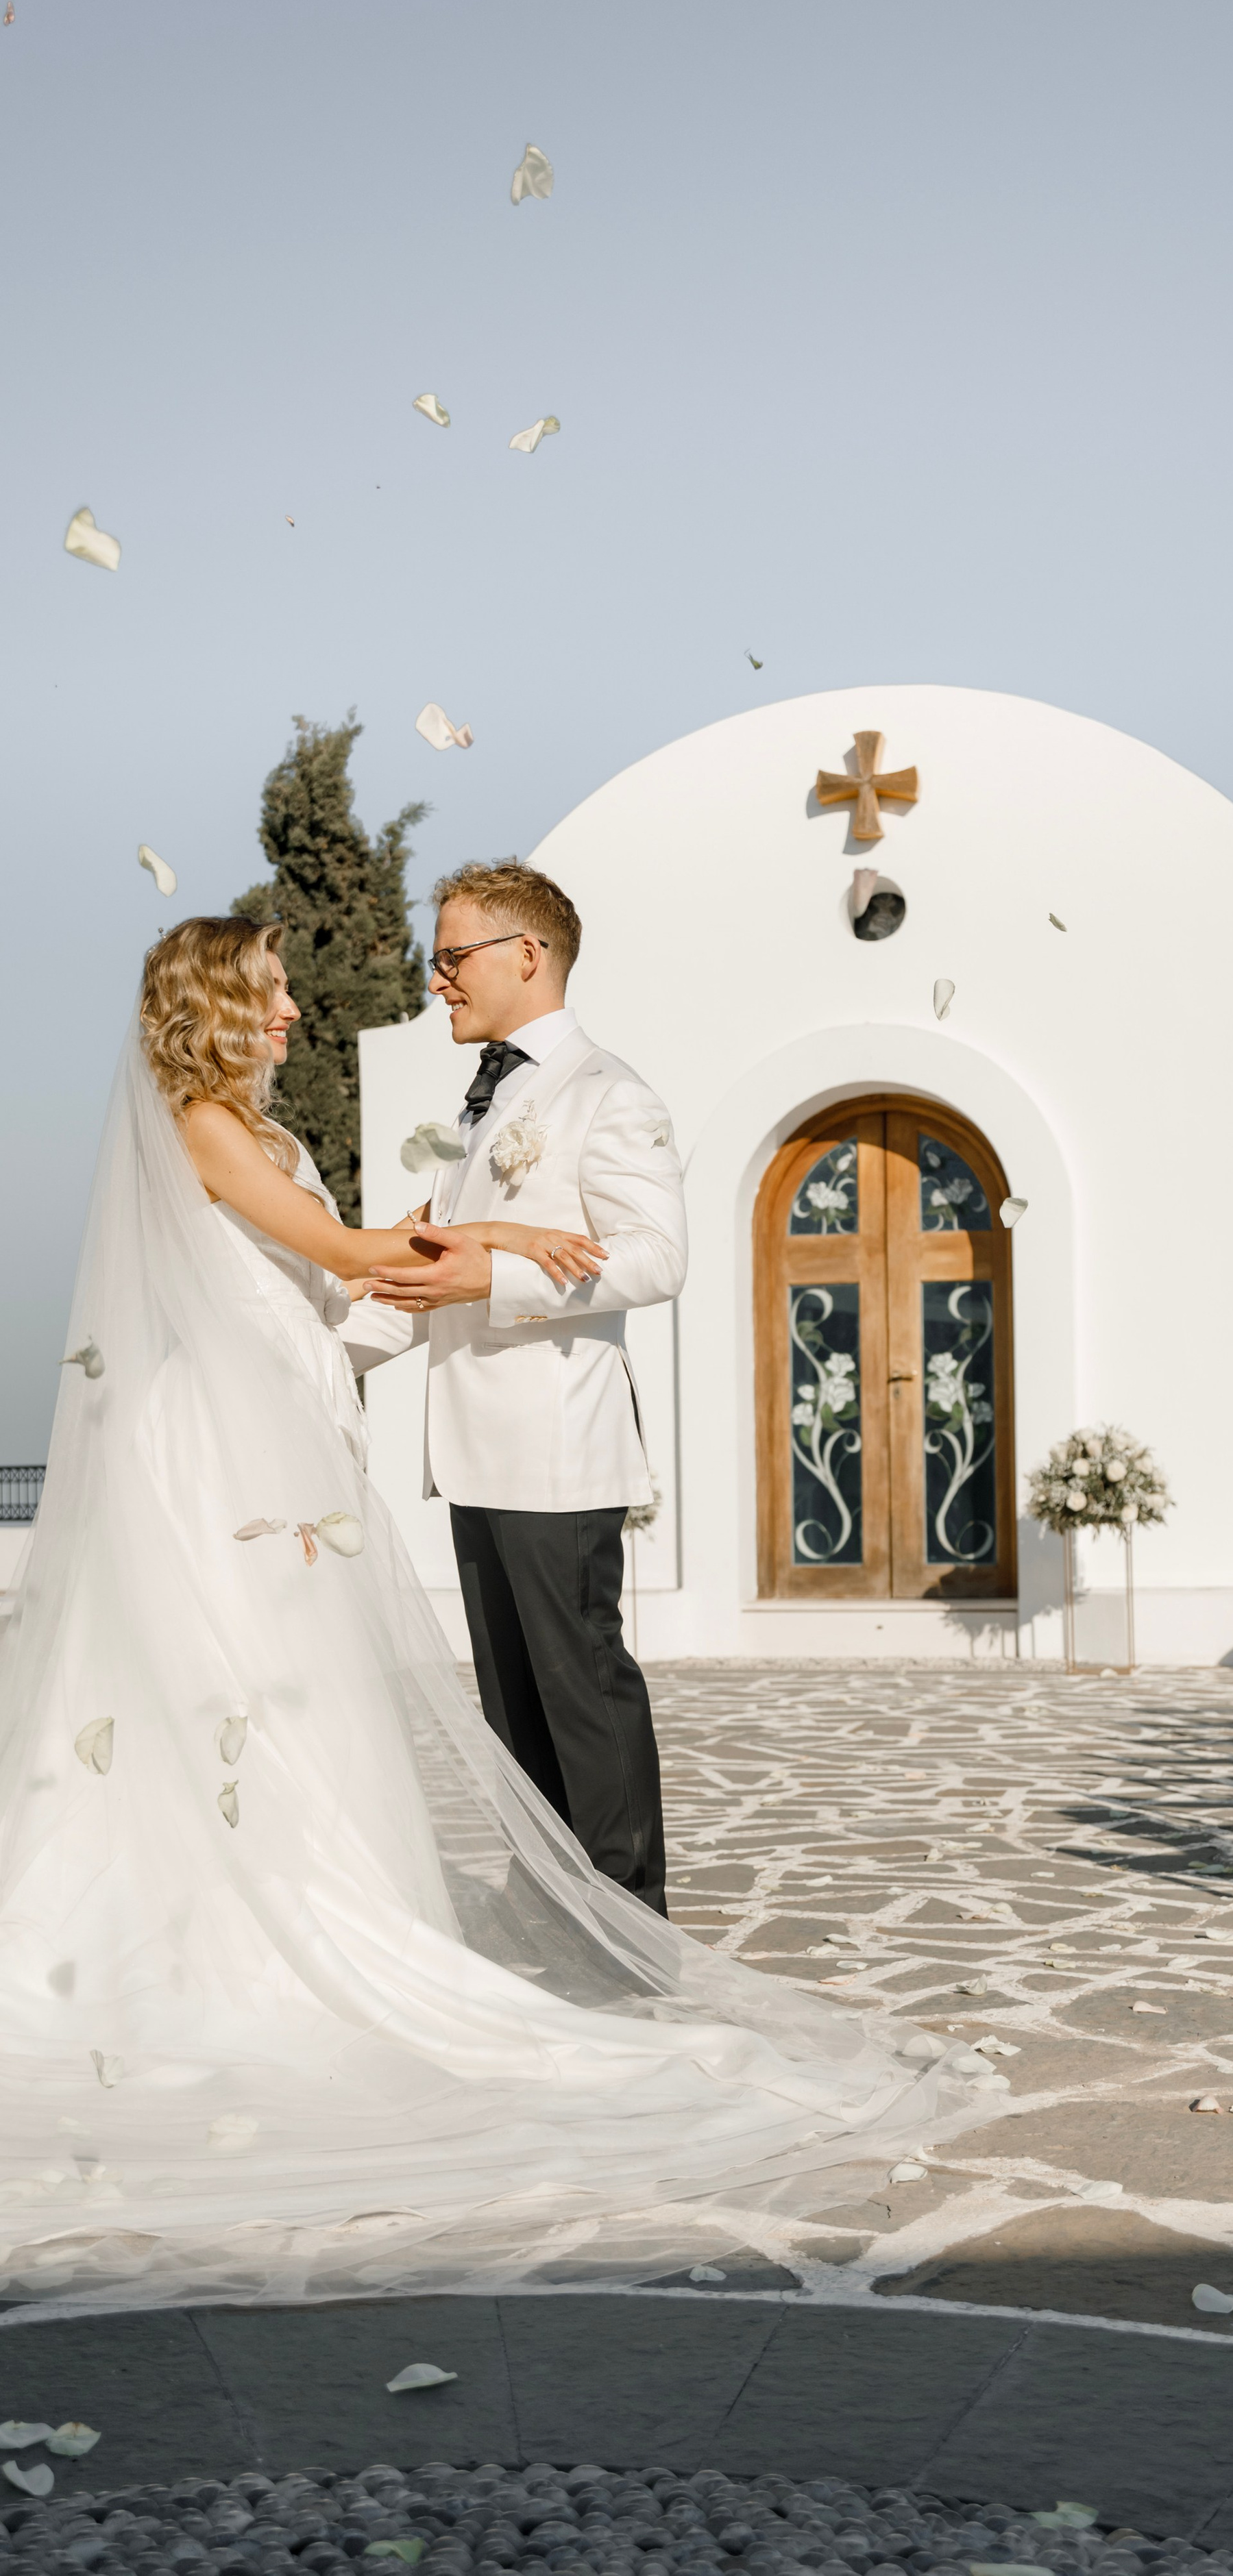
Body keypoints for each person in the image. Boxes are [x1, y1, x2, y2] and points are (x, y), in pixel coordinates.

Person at [0, 916, 997, 2318]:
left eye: (290, 988)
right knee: (237, 1690)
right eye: (274, 988)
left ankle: (553, 1921)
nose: (297, 1007)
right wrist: (496, 1240)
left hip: (296, 1443)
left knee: (350, 1687)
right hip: (217, 1458)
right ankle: (235, 1926)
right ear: (217, 1001)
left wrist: (499, 1244)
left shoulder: (521, 1100)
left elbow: (378, 1258)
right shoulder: (200, 1127)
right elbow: (347, 1251)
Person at [354, 862, 677, 1914]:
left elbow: (654, 1260)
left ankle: (632, 1933)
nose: (437, 980)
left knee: (582, 1693)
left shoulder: (610, 1094)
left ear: (525, 957)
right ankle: (552, 1919)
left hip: (556, 1447)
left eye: (452, 957)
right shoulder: (484, 1103)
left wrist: (490, 1274)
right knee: (512, 1710)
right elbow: (426, 1270)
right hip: (474, 1454)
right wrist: (312, 1355)